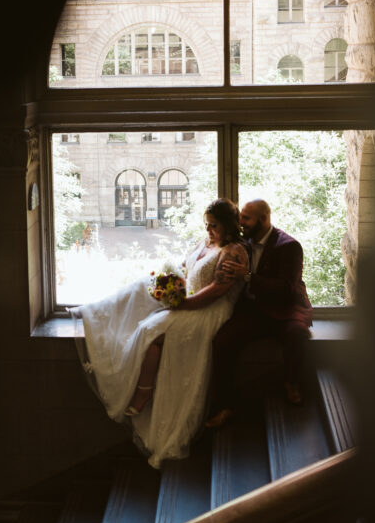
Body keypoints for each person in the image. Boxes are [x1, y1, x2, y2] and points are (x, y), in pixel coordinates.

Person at [71, 199, 249, 469]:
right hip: (188, 299)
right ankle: (95, 313)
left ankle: (143, 394)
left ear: (227, 225)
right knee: (144, 286)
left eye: (214, 226)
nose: (209, 230)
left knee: (150, 330)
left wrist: (182, 304)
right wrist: (169, 285)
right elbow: (186, 269)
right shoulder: (206, 242)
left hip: (208, 310)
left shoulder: (233, 252)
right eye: (207, 225)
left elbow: (216, 291)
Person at [206, 198, 313, 428]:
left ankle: (292, 384)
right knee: (223, 340)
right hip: (255, 310)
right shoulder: (242, 241)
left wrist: (247, 276)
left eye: (246, 218)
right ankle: (225, 405)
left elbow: (286, 288)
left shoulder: (289, 246)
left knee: (297, 333)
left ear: (263, 219)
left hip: (286, 306)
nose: (240, 222)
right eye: (241, 216)